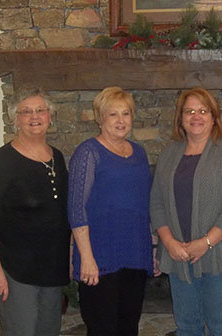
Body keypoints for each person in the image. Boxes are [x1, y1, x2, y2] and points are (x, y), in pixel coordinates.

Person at [150, 87, 222, 336]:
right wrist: (169, 242)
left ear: (214, 117)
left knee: (220, 326)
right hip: (178, 255)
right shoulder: (170, 154)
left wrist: (206, 242)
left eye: (203, 111)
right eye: (190, 111)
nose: (196, 116)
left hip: (220, 255)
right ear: (181, 118)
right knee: (187, 326)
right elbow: (157, 202)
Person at [0, 88, 71, 336]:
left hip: (52, 268)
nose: (34, 116)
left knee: (48, 331)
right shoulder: (2, 161)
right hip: (17, 271)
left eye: (40, 110)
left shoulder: (56, 158)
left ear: (50, 116)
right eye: (25, 112)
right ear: (15, 119)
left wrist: (69, 257)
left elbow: (63, 214)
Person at [68, 87, 153, 335]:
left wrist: (152, 248)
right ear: (100, 118)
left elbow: (142, 204)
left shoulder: (139, 152)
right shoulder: (88, 152)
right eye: (112, 114)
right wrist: (87, 257)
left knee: (129, 327)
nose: (120, 121)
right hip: (99, 257)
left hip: (134, 252)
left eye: (125, 114)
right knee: (102, 328)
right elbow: (76, 208)